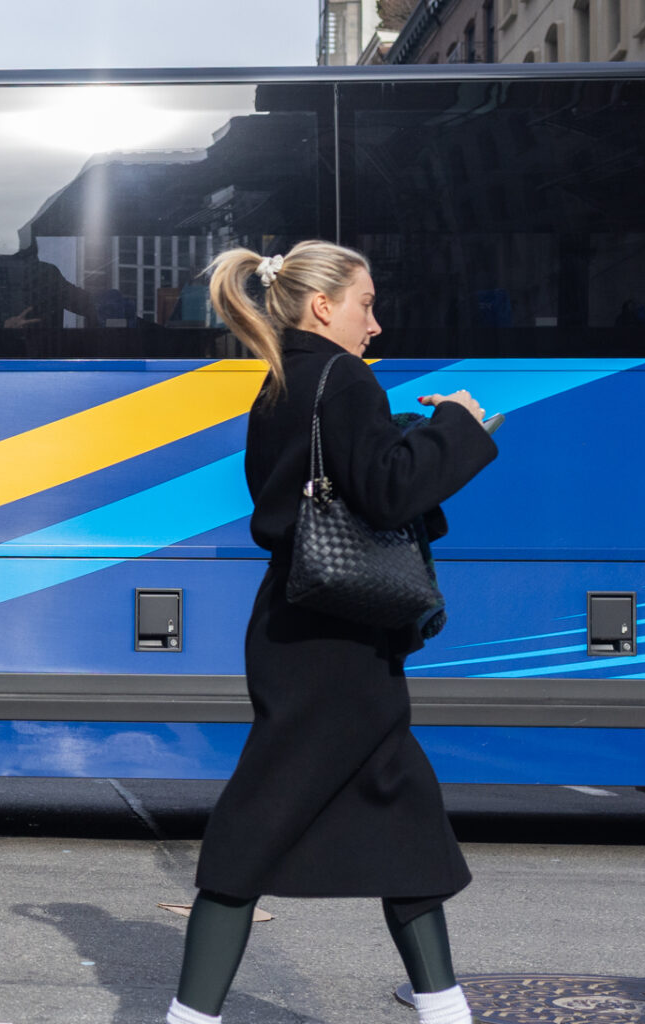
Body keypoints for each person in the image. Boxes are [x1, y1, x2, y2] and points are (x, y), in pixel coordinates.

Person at [165, 242, 498, 1024]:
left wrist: (417, 444)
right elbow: (387, 494)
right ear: (323, 307)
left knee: (400, 808)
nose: (375, 325)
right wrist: (457, 424)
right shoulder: (341, 378)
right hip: (332, 641)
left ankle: (444, 1006)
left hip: (305, 621)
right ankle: (189, 1017)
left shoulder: (283, 382)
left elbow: (323, 496)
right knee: (266, 814)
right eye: (365, 305)